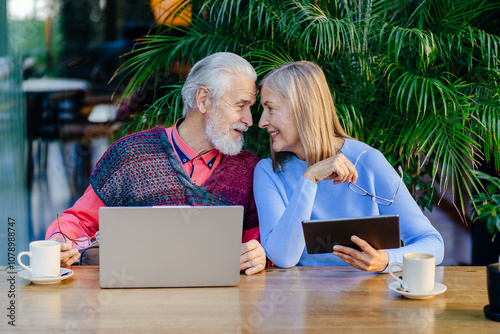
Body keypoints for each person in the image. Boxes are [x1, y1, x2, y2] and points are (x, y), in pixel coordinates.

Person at [46, 52, 267, 275]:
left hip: (219, 304)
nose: (249, 120)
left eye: (250, 108)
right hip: (136, 302)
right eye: (240, 106)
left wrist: (259, 256)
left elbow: (255, 248)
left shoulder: (248, 169)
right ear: (203, 100)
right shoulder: (131, 155)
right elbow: (78, 221)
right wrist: (59, 243)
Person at [254, 61, 444, 272]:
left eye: (270, 109)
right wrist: (309, 179)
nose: (262, 122)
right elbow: (283, 257)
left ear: (302, 108)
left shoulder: (367, 161)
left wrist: (387, 260)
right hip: (303, 299)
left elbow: (432, 243)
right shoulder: (268, 172)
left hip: (371, 300)